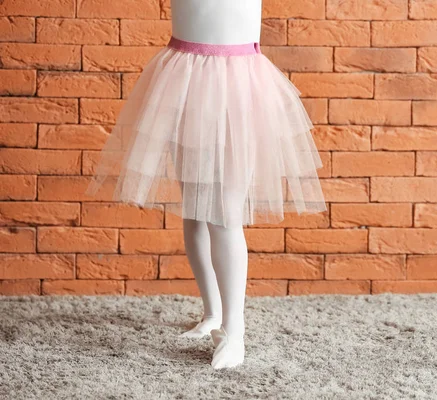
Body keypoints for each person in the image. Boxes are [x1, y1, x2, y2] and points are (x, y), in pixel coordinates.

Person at [84, 0, 327, 369]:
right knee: (194, 210)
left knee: (224, 216)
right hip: (184, 83)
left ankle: (235, 331)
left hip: (238, 90)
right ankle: (212, 313)